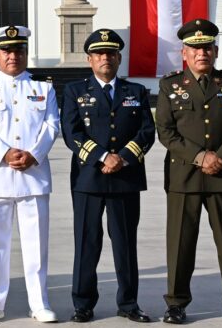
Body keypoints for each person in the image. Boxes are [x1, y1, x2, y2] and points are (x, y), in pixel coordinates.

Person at [156, 19, 222, 326]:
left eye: (207, 48)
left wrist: (220, 157)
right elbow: (165, 132)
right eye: (195, 48)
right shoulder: (170, 86)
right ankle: (176, 304)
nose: (202, 53)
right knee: (180, 242)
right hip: (184, 177)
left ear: (215, 51)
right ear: (184, 53)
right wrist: (200, 156)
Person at [60, 29, 155, 323]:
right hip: (89, 179)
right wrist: (103, 156)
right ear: (89, 59)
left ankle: (128, 303)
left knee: (125, 244)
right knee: (87, 243)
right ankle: (83, 303)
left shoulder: (136, 92)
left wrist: (122, 158)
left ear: (119, 58)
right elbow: (71, 132)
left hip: (125, 178)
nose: (106, 58)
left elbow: (147, 132)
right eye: (99, 54)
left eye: (111, 54)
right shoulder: (75, 91)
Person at [0, 25, 60, 324]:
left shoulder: (44, 87)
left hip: (34, 175)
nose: (13, 56)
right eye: (6, 50)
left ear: (26, 53)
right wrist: (5, 154)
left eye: (19, 50)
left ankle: (39, 302)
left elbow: (52, 125)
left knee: (36, 246)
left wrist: (34, 153)